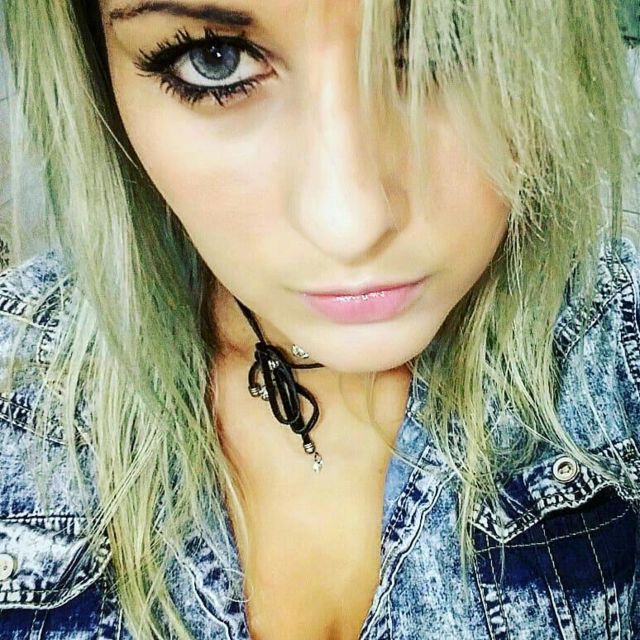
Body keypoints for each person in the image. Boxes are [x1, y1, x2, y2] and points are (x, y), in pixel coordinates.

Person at [1, 1, 639, 638]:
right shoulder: (16, 384)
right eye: (215, 60)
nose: (350, 223)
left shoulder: (617, 350)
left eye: (445, 44)